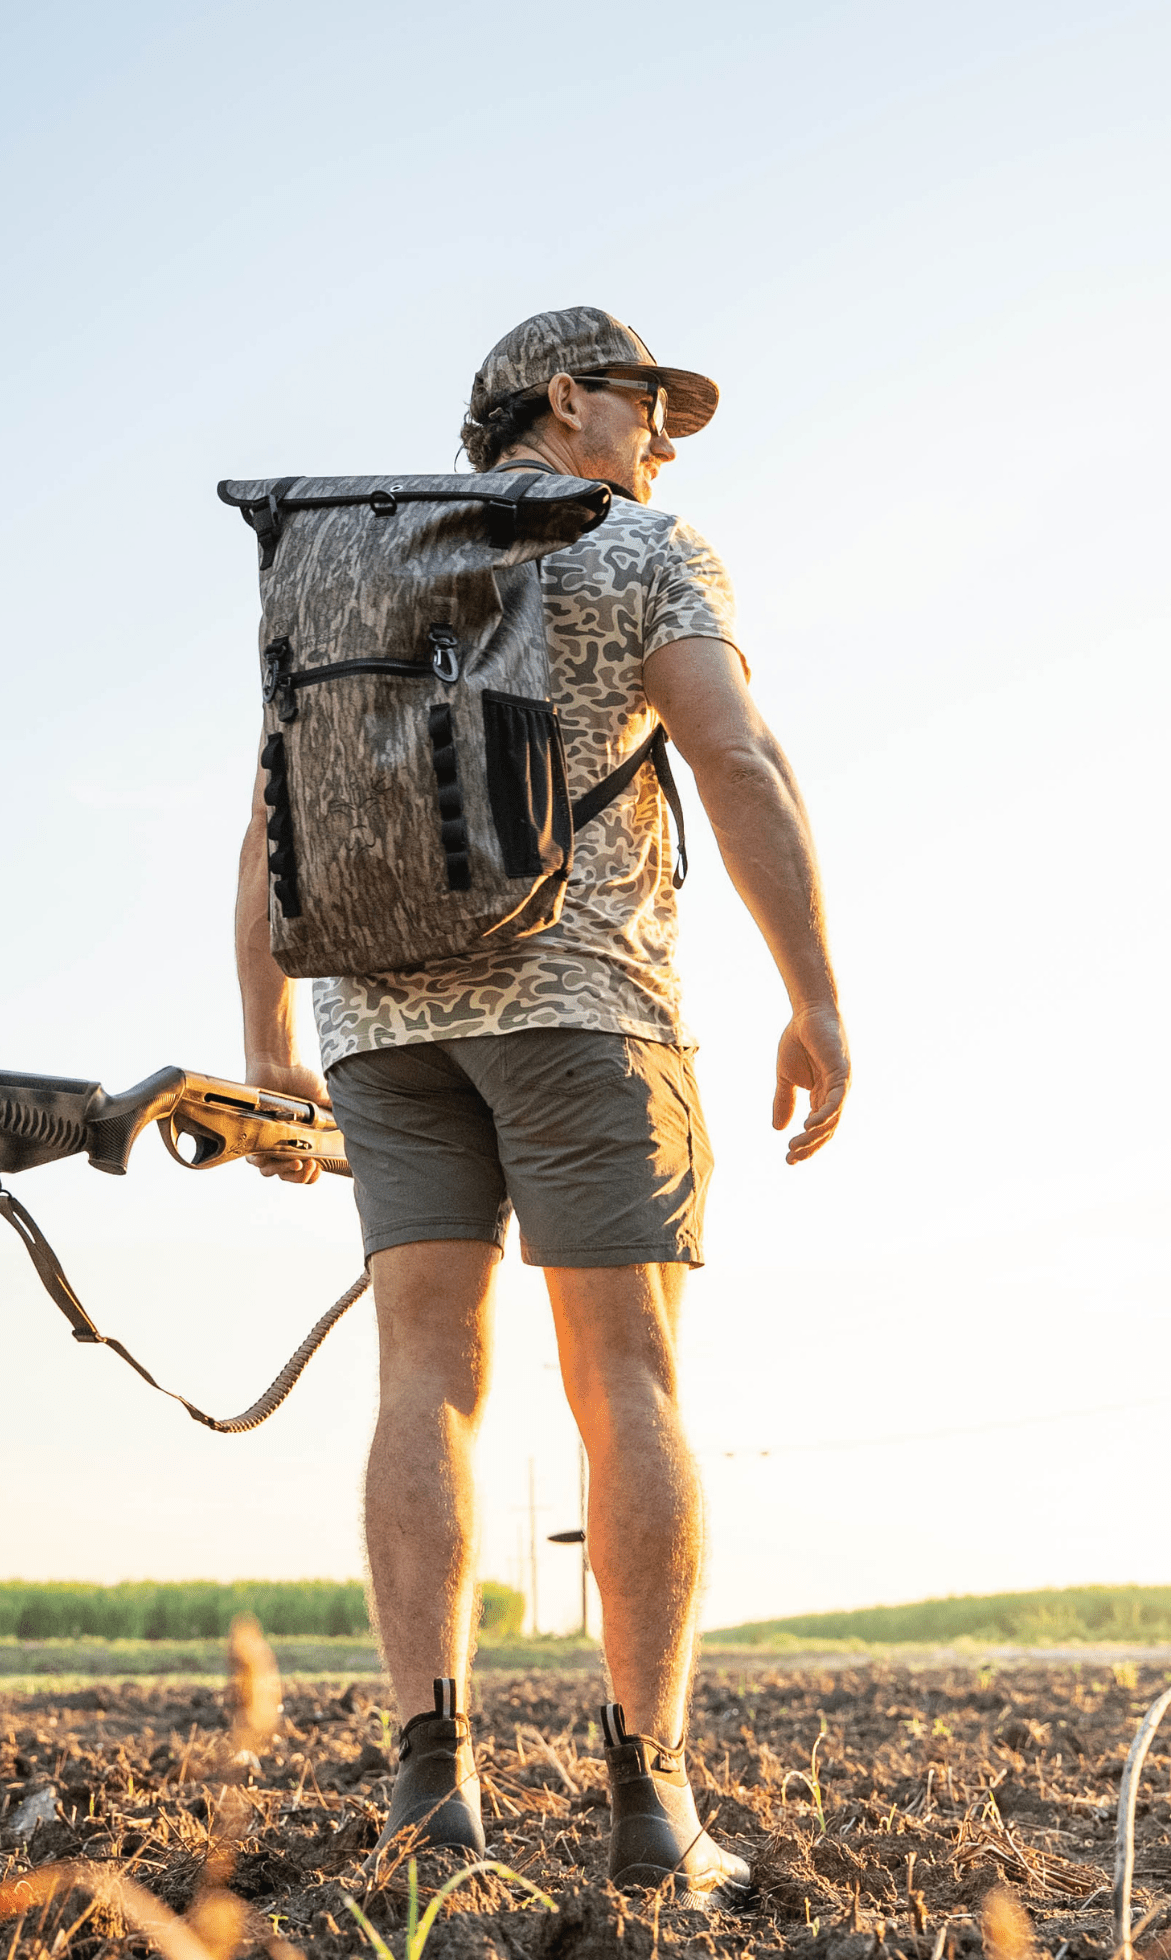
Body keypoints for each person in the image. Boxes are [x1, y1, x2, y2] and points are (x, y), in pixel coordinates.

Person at [234, 306, 850, 1899]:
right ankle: (653, 1797)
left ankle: (430, 1783)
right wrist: (816, 997)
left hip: (376, 1026)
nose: (661, 440)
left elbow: (270, 818)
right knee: (623, 1378)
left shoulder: (357, 566)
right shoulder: (636, 548)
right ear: (566, 398)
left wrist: (269, 1038)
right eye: (648, 404)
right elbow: (735, 759)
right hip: (582, 1009)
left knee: (424, 1378)